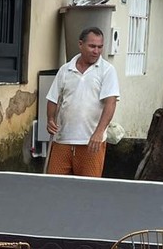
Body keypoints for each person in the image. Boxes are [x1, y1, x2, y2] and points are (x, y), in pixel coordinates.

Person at [45, 27, 120, 177]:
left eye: (100, 47)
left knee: (88, 190)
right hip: (62, 140)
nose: (96, 51)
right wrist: (50, 119)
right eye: (92, 46)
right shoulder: (65, 70)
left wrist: (99, 133)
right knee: (54, 187)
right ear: (81, 44)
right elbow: (53, 98)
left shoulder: (107, 70)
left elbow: (110, 103)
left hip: (91, 143)